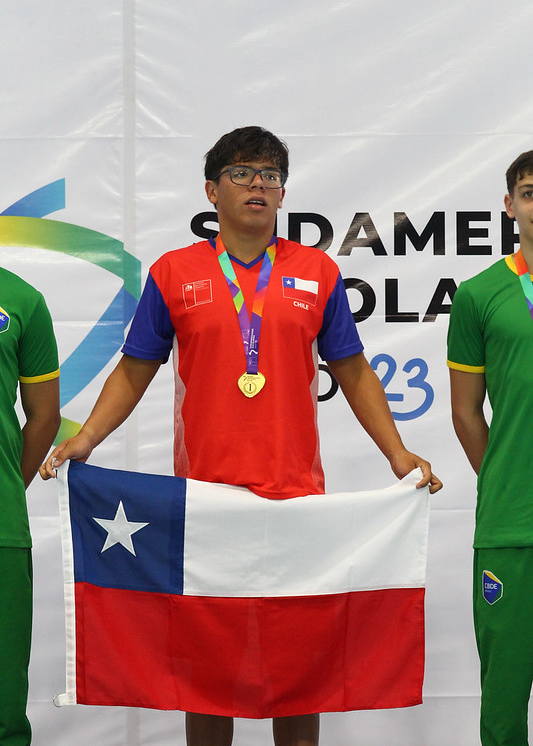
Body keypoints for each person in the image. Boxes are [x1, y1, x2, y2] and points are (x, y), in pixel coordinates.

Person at [41, 125, 441, 746]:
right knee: (208, 672)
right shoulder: (175, 273)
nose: (259, 185)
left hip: (295, 498)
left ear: (283, 195)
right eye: (243, 173)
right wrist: (87, 437)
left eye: (271, 176)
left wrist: (397, 454)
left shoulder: (317, 271)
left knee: (297, 670)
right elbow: (134, 366)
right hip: (204, 502)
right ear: (211, 191)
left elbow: (354, 370)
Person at [447, 150, 533, 746]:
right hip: (511, 522)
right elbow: (463, 410)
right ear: (509, 206)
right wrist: (503, 476)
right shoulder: (479, 295)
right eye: (530, 192)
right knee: (504, 698)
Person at [0, 267, 60, 745]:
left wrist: (5, 487)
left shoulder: (22, 299)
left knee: (3, 712)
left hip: (1, 527)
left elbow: (44, 417)